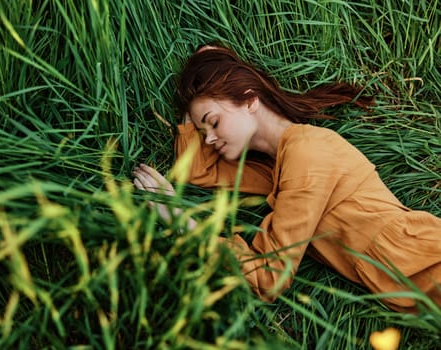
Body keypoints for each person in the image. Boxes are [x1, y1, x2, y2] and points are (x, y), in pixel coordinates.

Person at [132, 45, 441, 313]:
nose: (209, 139)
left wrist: (183, 223)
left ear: (250, 100)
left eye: (213, 123)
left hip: (425, 260)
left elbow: (269, 278)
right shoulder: (278, 167)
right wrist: (196, 89)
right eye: (203, 134)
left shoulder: (306, 154)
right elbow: (196, 171)